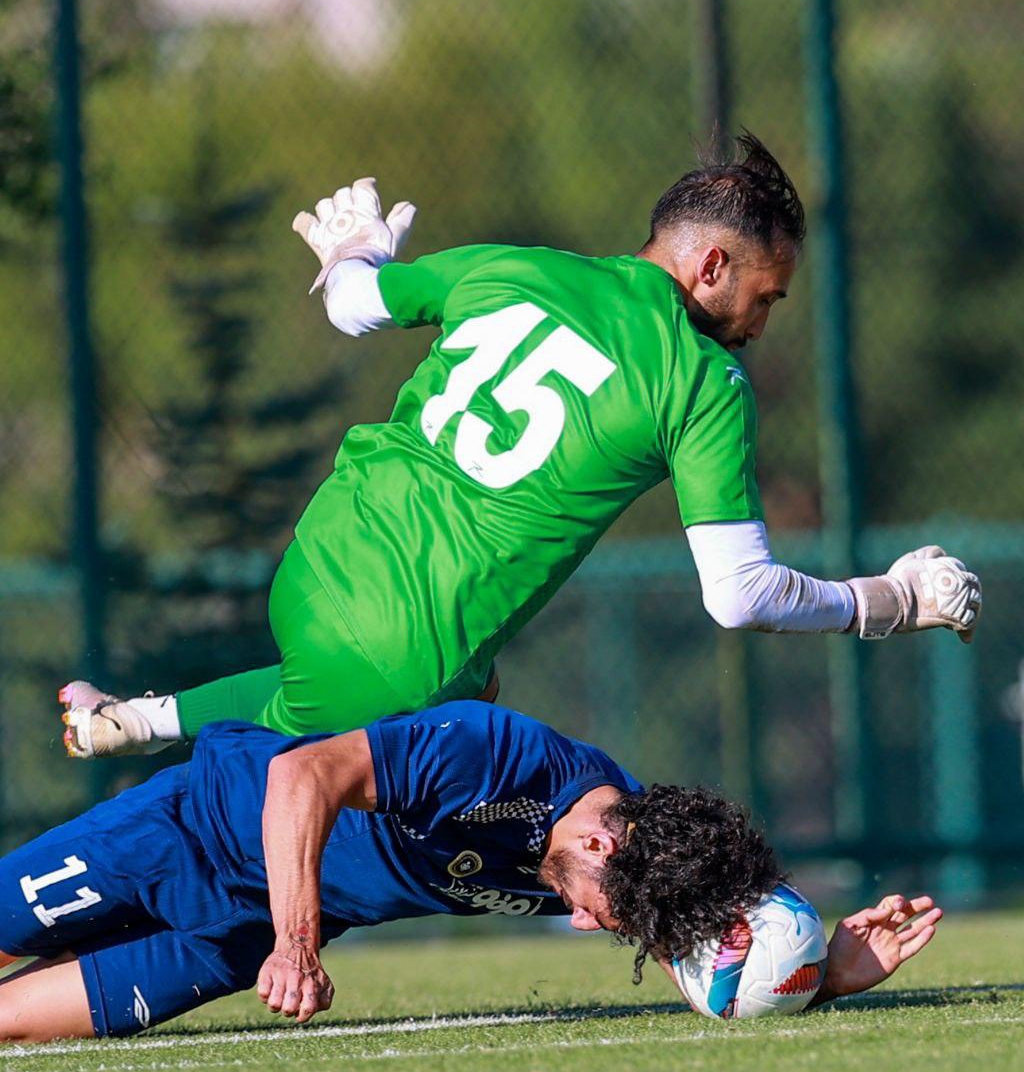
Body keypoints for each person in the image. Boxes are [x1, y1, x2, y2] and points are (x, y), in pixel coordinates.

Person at [60, 134, 981, 758]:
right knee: (550, 819)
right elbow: (740, 597)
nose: (763, 323)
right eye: (767, 297)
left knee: (392, 691)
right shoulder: (699, 380)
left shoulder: (520, 265)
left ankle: (135, 720)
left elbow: (348, 306)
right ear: (710, 267)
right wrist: (886, 601)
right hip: (407, 664)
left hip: (314, 567)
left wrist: (356, 252)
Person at [4, 701, 938, 1041]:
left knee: (11, 1023)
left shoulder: (642, 856)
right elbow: (302, 774)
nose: (578, 925)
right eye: (597, 915)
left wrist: (820, 974)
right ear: (599, 845)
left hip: (235, 938)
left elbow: (711, 960)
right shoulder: (501, 756)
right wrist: (296, 943)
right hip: (190, 831)